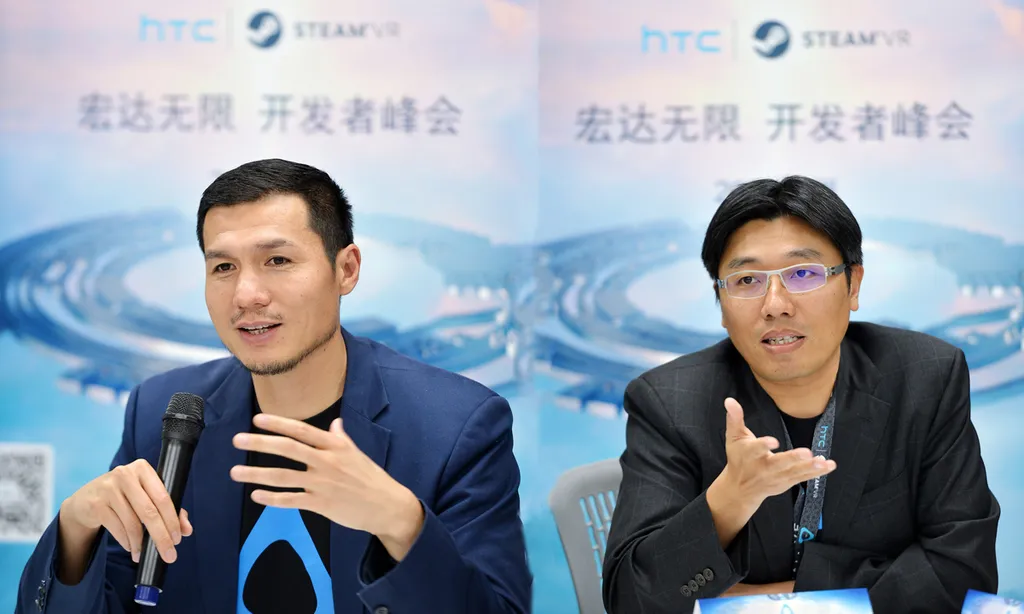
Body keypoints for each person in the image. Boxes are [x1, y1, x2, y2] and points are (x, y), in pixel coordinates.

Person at [17, 159, 532, 614]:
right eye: (223, 267)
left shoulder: (456, 426)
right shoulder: (166, 414)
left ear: (346, 269)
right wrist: (75, 530)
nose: (247, 294)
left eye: (278, 261)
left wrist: (401, 524)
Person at [602, 176, 1000, 614]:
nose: (775, 304)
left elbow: (964, 575)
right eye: (747, 279)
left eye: (804, 274)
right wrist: (731, 498)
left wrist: (770, 599)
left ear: (853, 285)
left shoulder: (925, 378)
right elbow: (630, 600)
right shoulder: (669, 401)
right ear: (720, 301)